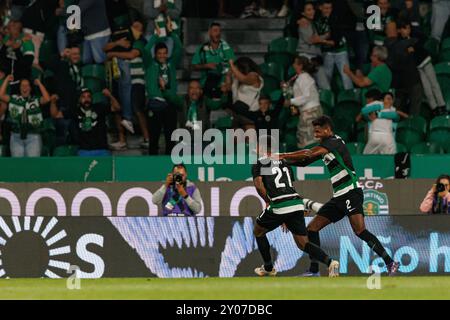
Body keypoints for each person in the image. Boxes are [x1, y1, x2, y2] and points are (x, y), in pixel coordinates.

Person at [278, 115, 400, 276]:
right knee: (312, 229)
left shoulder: (334, 142)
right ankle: (314, 270)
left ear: (328, 129)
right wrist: (281, 162)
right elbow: (304, 161)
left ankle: (390, 263)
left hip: (351, 192)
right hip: (339, 197)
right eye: (314, 130)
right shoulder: (324, 147)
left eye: (318, 130)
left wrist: (282, 156)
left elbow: (307, 154)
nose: (315, 133)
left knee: (360, 230)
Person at [251, 135, 340, 277]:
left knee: (258, 231)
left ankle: (268, 267)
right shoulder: (284, 162)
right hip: (295, 203)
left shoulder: (260, 163)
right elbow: (288, 186)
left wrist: (268, 201)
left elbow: (259, 185)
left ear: (262, 148)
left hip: (279, 204)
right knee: (303, 243)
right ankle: (331, 263)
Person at [398, 20, 447, 117]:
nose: (405, 31)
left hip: (425, 61)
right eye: (403, 29)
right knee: (426, 88)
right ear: (399, 30)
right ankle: (434, 108)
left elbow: (424, 39)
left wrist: (414, 46)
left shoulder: (416, 34)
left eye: (407, 28)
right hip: (417, 67)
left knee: (434, 84)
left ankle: (442, 106)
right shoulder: (401, 42)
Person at [0, 75, 50, 157]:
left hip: (33, 136)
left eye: (27, 85)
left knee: (32, 165)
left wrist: (39, 83)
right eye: (22, 85)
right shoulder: (14, 99)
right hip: (15, 136)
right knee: (18, 166)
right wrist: (6, 80)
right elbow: (1, 95)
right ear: (19, 88)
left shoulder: (35, 100)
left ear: (30, 88)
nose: (24, 87)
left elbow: (47, 99)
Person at [191, 22, 235, 112]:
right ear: (209, 32)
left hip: (223, 84)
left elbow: (232, 67)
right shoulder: (202, 49)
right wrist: (206, 65)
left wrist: (227, 80)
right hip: (206, 84)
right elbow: (193, 66)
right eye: (215, 31)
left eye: (219, 31)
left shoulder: (226, 48)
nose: (218, 33)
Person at [146, 41, 178, 155]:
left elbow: (178, 47)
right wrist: (156, 36)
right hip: (155, 105)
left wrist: (172, 33)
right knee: (154, 138)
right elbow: (145, 50)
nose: (162, 56)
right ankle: (153, 165)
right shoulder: (150, 64)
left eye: (165, 53)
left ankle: (169, 164)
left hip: (169, 104)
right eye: (159, 53)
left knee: (171, 138)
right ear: (155, 54)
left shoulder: (171, 64)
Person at [284, 56, 322, 148]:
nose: (293, 65)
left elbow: (306, 96)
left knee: (310, 140)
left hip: (310, 112)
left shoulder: (304, 78)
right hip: (307, 111)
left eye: (295, 63)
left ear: (300, 66)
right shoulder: (301, 77)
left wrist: (290, 101)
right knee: (306, 138)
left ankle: (310, 160)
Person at [315, 0, 354, 90]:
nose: (328, 10)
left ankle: (351, 99)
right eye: (326, 8)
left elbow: (335, 42)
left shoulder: (337, 18)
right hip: (327, 51)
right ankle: (326, 99)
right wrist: (322, 39)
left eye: (330, 8)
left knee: (346, 76)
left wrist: (320, 40)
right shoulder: (317, 19)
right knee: (326, 77)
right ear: (320, 8)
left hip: (340, 51)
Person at [75, 88, 121, 156]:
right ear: (79, 99)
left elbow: (117, 108)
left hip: (102, 150)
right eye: (83, 97)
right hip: (83, 150)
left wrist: (109, 96)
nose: (86, 99)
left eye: (89, 96)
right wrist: (53, 102)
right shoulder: (75, 111)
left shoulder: (99, 107)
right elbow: (56, 114)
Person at [297, 1, 330, 90]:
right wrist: (327, 36)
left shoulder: (310, 22)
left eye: (312, 9)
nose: (312, 12)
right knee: (315, 87)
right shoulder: (304, 22)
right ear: (303, 13)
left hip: (314, 57)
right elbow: (311, 40)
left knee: (321, 86)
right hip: (306, 57)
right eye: (308, 10)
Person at [359, 90, 405, 155]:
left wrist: (378, 114)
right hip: (375, 135)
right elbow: (363, 111)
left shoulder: (392, 109)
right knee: (367, 158)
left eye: (391, 99)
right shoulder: (376, 107)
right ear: (381, 100)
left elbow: (395, 116)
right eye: (388, 99)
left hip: (387, 136)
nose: (390, 101)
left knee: (390, 158)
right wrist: (380, 106)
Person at [229, 57, 263, 130]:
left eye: (236, 68)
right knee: (235, 140)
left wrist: (232, 65)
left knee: (250, 140)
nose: (234, 71)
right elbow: (228, 87)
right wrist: (228, 74)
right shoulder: (236, 78)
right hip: (237, 113)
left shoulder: (254, 76)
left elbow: (244, 79)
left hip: (249, 115)